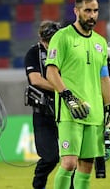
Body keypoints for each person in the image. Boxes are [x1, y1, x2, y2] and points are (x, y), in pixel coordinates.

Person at [45, 0, 110, 189]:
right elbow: (51, 72)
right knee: (68, 163)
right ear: (76, 11)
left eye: (95, 11)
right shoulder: (62, 37)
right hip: (70, 111)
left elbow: (104, 77)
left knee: (87, 166)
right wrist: (67, 96)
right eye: (87, 11)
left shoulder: (100, 42)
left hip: (94, 114)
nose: (92, 15)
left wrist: (109, 106)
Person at [24, 20, 61, 189]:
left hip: (66, 111)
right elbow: (36, 79)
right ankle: (38, 184)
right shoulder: (33, 53)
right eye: (47, 40)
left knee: (73, 157)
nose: (50, 43)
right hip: (44, 112)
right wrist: (62, 89)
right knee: (50, 157)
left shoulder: (66, 51)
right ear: (41, 39)